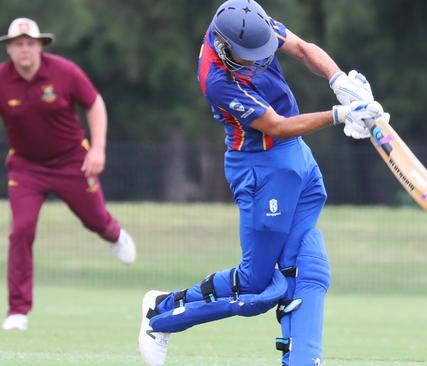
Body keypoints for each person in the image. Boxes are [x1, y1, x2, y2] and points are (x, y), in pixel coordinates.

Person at [138, 1, 387, 365]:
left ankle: (302, 360)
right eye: (249, 58)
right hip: (260, 168)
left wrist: (340, 81)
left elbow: (303, 49)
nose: (258, 62)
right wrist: (342, 114)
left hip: (296, 157)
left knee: (307, 265)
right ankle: (160, 312)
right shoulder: (216, 80)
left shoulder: (251, 23)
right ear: (225, 49)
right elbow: (276, 125)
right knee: (256, 286)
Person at [0, 18, 137, 331]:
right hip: (26, 166)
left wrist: (98, 149)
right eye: (18, 44)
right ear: (9, 48)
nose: (24, 49)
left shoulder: (65, 72)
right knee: (21, 231)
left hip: (72, 161)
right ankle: (18, 311)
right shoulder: (2, 79)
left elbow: (95, 104)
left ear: (40, 46)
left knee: (95, 221)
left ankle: (114, 233)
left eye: (30, 43)